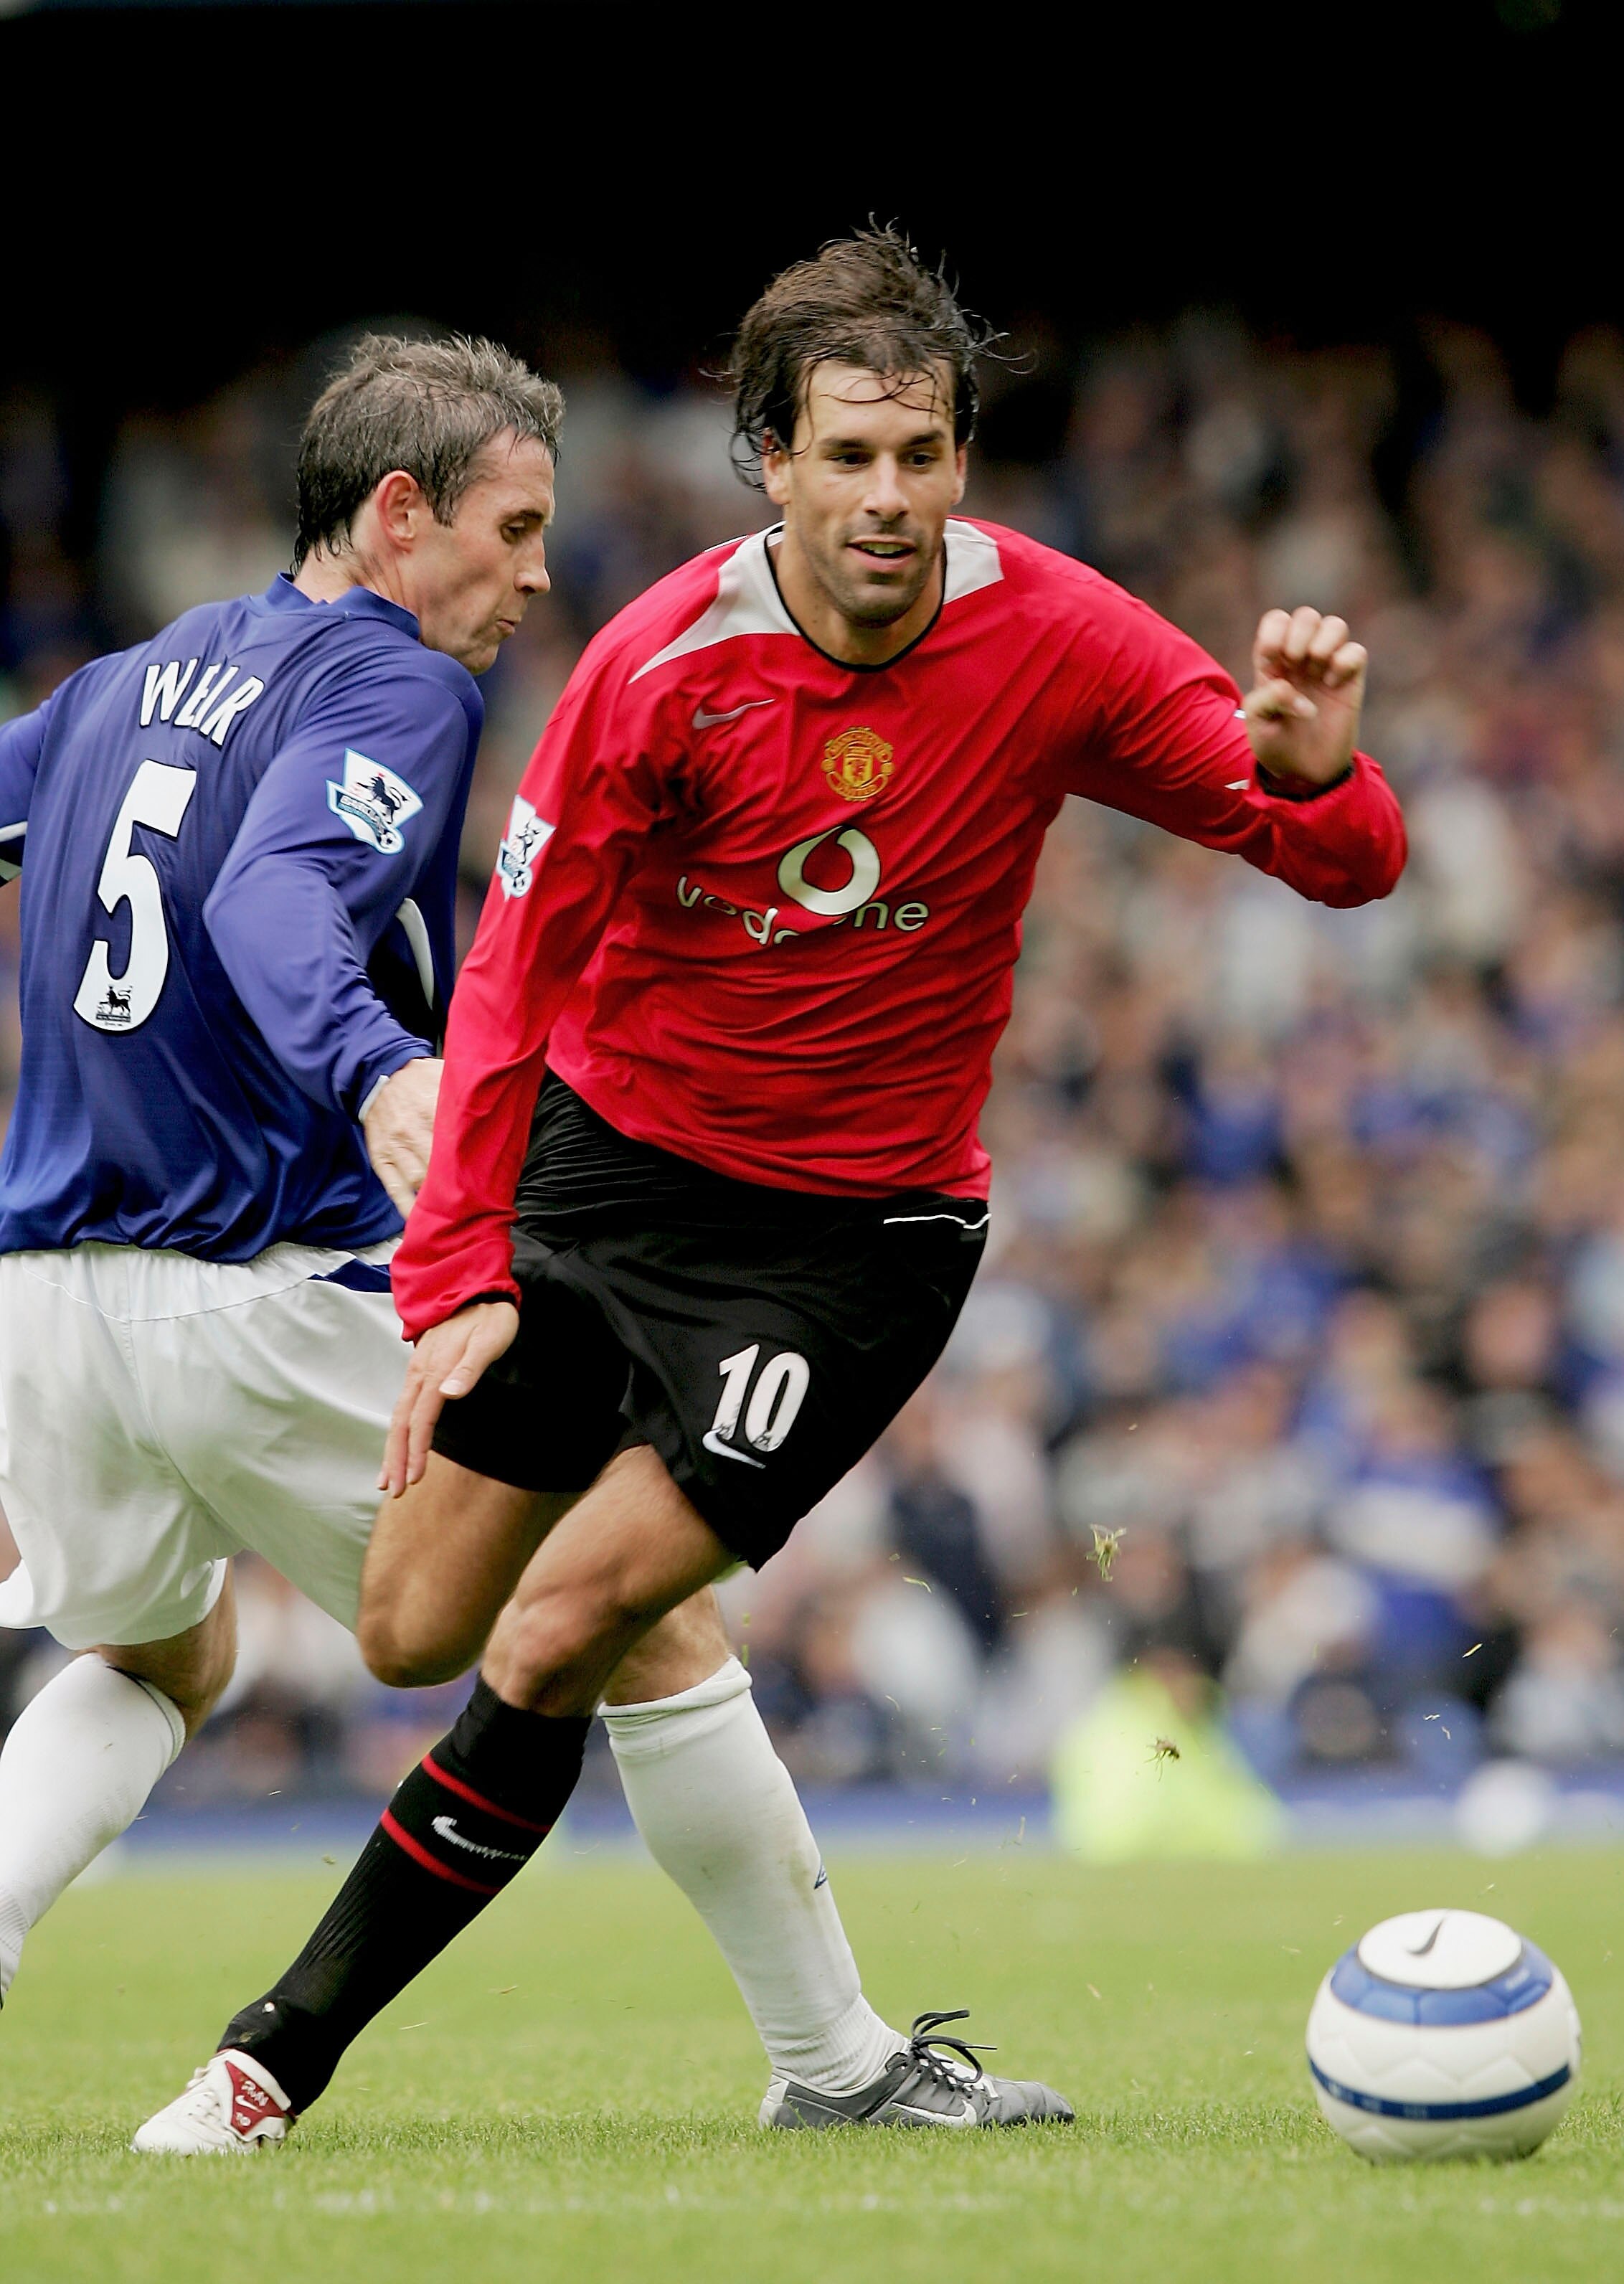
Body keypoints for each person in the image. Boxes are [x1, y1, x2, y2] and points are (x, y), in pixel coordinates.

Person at [141, 227, 1405, 2144]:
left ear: (963, 459)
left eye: (922, 455)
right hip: (603, 1184)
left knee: (558, 1627)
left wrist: (1320, 778)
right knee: (413, 1626)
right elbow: (508, 980)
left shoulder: (1060, 634)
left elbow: (1344, 862)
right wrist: (463, 1268)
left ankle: (267, 2062)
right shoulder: (659, 668)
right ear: (771, 461)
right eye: (848, 457)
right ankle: (840, 2064)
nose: (888, 498)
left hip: (850, 1245)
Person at [0, 334, 983, 2148]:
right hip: (263, 1279)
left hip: (47, 1306)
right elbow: (275, 893)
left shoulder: (125, 680)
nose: (539, 575)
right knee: (647, 1622)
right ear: (398, 514)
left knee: (160, 1660)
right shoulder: (390, 681)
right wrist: (379, 1063)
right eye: (514, 529)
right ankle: (838, 2060)